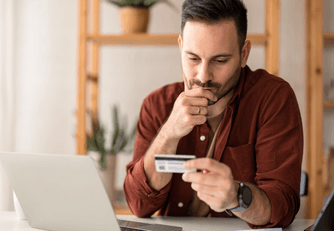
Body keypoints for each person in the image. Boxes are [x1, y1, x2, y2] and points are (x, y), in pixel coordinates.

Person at [124, 0, 303, 229]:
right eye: (193, 58)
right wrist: (168, 133)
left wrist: (236, 197)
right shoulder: (157, 104)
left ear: (244, 54)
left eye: (220, 61)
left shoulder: (273, 98)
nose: (204, 75)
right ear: (180, 47)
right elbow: (138, 205)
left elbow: (283, 207)